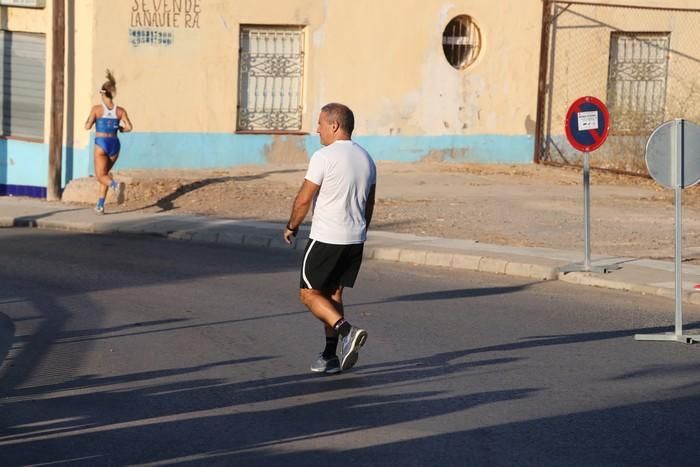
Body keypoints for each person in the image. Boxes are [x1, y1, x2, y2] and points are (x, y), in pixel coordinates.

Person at [284, 103, 376, 374]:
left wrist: (292, 225)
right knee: (334, 294)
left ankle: (347, 331)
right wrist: (361, 230)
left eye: (320, 124)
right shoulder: (366, 158)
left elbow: (304, 199)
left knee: (309, 294)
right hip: (355, 237)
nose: (317, 129)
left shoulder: (324, 156)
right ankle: (330, 356)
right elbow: (369, 203)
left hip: (327, 237)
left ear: (334, 125)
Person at [84, 69, 133, 214]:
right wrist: (121, 129)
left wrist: (92, 122)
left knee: (100, 176)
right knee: (105, 174)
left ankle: (115, 185)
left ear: (103, 93)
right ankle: (100, 205)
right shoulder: (120, 111)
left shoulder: (97, 109)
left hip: (101, 143)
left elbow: (87, 126)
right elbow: (129, 127)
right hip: (115, 144)